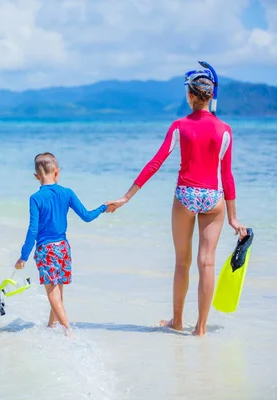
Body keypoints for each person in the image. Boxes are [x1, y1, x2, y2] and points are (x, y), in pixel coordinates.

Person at [108, 66, 247, 336]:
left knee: (182, 262)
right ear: (209, 97)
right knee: (206, 262)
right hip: (213, 197)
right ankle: (201, 329)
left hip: (185, 195)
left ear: (190, 96)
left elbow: (156, 162)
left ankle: (178, 321)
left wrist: (127, 196)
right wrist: (233, 216)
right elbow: (227, 176)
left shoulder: (179, 126)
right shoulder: (225, 130)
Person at [14, 152, 111, 333]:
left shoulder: (35, 198)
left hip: (46, 249)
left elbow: (33, 230)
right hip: (63, 248)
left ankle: (68, 330)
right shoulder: (67, 193)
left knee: (52, 292)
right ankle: (52, 327)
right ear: (57, 172)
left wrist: (23, 257)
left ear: (36, 176)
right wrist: (104, 207)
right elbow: (87, 216)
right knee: (58, 291)